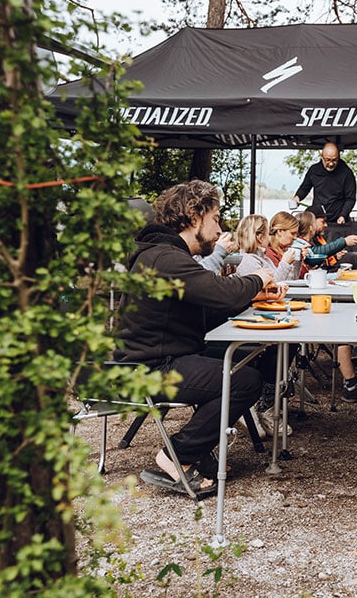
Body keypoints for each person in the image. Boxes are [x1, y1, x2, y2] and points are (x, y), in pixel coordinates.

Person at [113, 180, 285, 495]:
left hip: (162, 359)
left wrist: (254, 297)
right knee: (244, 381)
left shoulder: (164, 255)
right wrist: (257, 279)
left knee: (243, 366)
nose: (219, 230)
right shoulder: (165, 258)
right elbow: (221, 292)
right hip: (148, 368)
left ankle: (195, 452)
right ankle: (177, 455)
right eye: (215, 219)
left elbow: (207, 312)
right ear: (194, 217)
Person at [291, 142, 356, 225]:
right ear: (321, 157)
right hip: (318, 218)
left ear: (338, 157)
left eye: (334, 160)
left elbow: (350, 199)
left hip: (338, 220)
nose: (331, 164)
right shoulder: (314, 170)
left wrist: (343, 215)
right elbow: (304, 188)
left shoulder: (347, 173)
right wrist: (297, 197)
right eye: (328, 160)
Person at [296, 206, 357, 271]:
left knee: (352, 257)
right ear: (311, 224)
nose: (326, 225)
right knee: (353, 257)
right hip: (323, 271)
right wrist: (344, 241)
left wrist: (335, 257)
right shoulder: (302, 242)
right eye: (323, 222)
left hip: (325, 269)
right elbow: (315, 252)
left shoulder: (318, 238)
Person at [235, 214, 304, 282]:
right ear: (260, 238)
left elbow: (288, 280)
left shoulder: (264, 259)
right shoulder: (249, 261)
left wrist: (297, 260)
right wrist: (285, 263)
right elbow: (271, 285)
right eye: (268, 234)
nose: (269, 237)